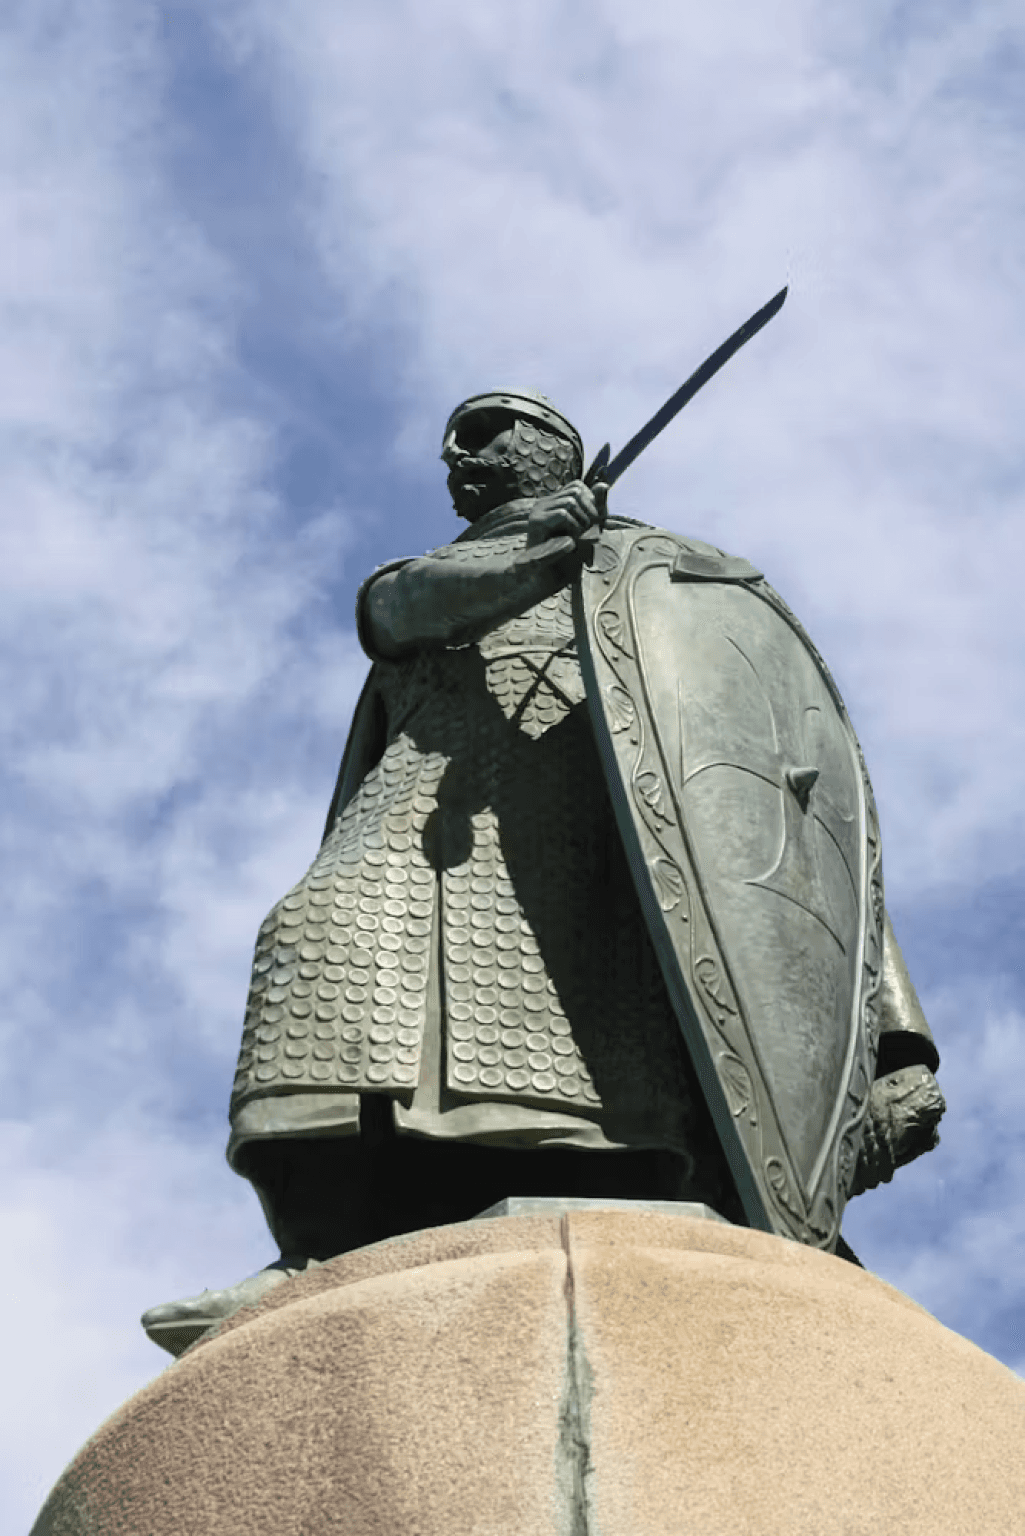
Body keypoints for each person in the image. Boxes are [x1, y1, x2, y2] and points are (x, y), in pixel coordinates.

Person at [143, 390, 943, 1354]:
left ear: (556, 447)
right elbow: (403, 609)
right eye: (453, 440)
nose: (457, 453)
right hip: (420, 816)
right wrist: (535, 552)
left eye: (486, 432)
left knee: (610, 1023)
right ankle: (317, 1247)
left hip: (602, 828)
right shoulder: (422, 578)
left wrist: (887, 1029)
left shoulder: (667, 577)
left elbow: (767, 792)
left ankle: (636, 1196)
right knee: (316, 939)